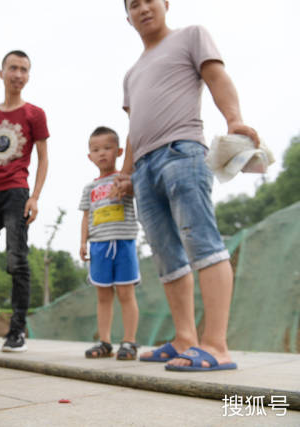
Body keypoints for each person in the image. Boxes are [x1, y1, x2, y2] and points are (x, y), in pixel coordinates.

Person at [114, 0, 260, 371]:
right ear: (127, 16)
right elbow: (133, 129)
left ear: (166, 3)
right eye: (133, 4)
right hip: (144, 168)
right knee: (166, 255)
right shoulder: (131, 74)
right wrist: (126, 172)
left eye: (150, 0)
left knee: (201, 241)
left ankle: (217, 345)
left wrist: (235, 120)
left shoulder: (192, 36)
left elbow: (216, 78)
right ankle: (184, 338)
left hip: (182, 152)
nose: (143, 8)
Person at [0, 50, 49, 352]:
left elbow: (44, 157)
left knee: (16, 260)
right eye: (13, 68)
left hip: (16, 192)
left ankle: (16, 331)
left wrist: (35, 196)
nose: (18, 74)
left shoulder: (34, 114)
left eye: (24, 69)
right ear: (1, 73)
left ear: (29, 76)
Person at [79, 127, 140, 360]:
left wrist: (127, 182)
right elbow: (86, 216)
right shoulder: (89, 188)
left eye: (107, 148)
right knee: (103, 295)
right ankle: (104, 341)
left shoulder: (124, 181)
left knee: (126, 292)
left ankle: (130, 341)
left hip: (123, 242)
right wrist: (83, 242)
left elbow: (136, 192)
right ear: (89, 156)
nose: (102, 153)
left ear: (119, 151)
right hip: (98, 246)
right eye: (96, 149)